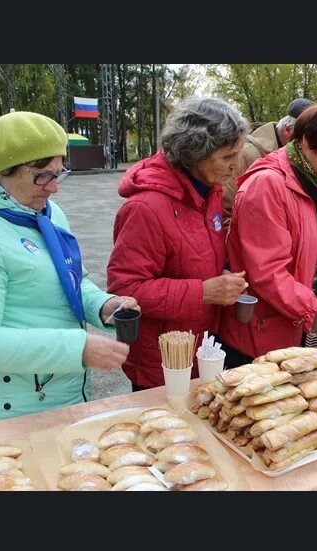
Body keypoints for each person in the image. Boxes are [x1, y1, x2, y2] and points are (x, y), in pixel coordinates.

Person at [0, 111, 139, 425]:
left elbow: (73, 279)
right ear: (4, 172)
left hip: (66, 391)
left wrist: (103, 305)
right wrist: (77, 347)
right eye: (43, 176)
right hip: (15, 409)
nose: (54, 188)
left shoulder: (46, 212)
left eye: (58, 172)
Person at [106, 97, 249, 390]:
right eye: (226, 157)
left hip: (199, 347)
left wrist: (220, 273)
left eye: (238, 154)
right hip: (161, 360)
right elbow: (126, 290)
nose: (236, 167)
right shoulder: (145, 208)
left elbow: (197, 255)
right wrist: (203, 292)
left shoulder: (208, 192)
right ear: (195, 153)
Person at [218, 101, 317, 366]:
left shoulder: (314, 181)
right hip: (260, 335)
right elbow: (267, 273)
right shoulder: (268, 184)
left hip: (294, 326)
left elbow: (312, 246)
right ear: (308, 140)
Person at [222, 98, 314, 226]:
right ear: (288, 129)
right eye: (304, 140)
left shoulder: (291, 157)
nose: (307, 148)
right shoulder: (246, 155)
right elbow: (224, 214)